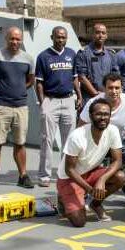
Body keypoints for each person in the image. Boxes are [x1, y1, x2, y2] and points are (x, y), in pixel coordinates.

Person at [0, 27, 35, 192]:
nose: (15, 42)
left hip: (21, 107)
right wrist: (1, 89)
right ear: (6, 39)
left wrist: (18, 88)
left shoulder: (28, 59)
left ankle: (23, 176)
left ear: (21, 40)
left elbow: (30, 81)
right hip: (1, 106)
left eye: (18, 39)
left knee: (20, 143)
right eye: (12, 38)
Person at [57, 98, 125, 227]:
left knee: (120, 177)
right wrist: (89, 189)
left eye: (106, 114)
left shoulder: (113, 131)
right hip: (69, 178)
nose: (103, 118)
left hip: (91, 172)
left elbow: (117, 161)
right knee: (79, 222)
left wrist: (102, 180)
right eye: (98, 114)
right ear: (90, 115)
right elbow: (69, 170)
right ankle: (62, 198)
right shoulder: (77, 135)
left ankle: (96, 204)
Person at [35, 26, 83, 187]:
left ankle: (64, 173)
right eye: (58, 37)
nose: (61, 40)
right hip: (51, 100)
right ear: (52, 37)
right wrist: (42, 103)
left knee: (69, 141)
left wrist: (79, 95)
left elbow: (75, 78)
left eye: (63, 37)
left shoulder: (71, 54)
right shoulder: (43, 56)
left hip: (69, 100)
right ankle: (44, 175)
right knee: (47, 139)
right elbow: (39, 83)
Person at [79, 73, 125, 171]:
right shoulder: (93, 103)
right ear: (104, 88)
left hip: (122, 140)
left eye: (117, 88)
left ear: (121, 88)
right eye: (110, 88)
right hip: (98, 141)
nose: (114, 91)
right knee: (96, 170)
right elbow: (81, 127)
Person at [75, 23, 119, 103]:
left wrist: (108, 93)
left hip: (107, 97)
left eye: (103, 33)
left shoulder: (111, 54)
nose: (100, 35)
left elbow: (115, 76)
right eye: (97, 32)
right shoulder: (83, 53)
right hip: (89, 98)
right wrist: (96, 94)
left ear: (106, 36)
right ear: (92, 35)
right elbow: (81, 77)